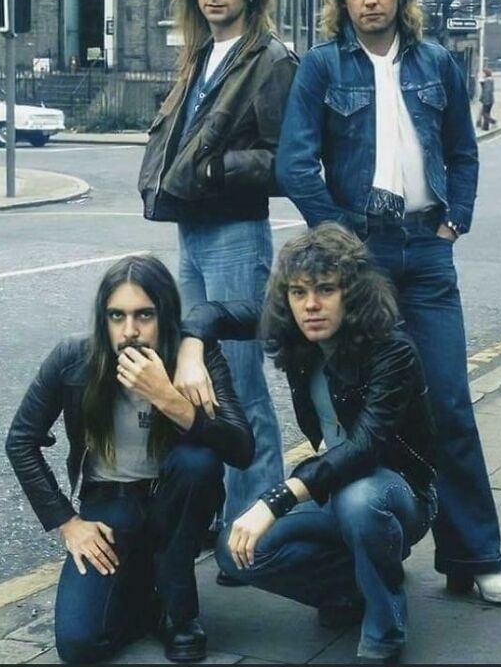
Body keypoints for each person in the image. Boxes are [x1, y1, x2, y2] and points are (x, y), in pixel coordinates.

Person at [274, 0, 501, 605]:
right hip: (366, 255)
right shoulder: (323, 67)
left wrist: (455, 218)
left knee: (448, 403)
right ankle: (370, 549)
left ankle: (473, 556)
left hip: (428, 250)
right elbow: (294, 162)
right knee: (367, 411)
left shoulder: (437, 62)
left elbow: (463, 151)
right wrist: (343, 237)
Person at [179, 224, 437, 664]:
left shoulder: (392, 349)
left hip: (398, 493)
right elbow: (212, 313)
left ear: (351, 293)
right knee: (236, 550)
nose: (311, 305)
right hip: (333, 487)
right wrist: (190, 351)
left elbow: (365, 447)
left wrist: (276, 498)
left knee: (359, 501)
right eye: (298, 292)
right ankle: (352, 585)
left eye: (325, 290)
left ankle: (386, 627)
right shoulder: (296, 329)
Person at [5, 255, 254, 664]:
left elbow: (240, 450)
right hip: (111, 503)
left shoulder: (195, 360)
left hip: (175, 499)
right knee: (79, 645)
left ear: (165, 316)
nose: (129, 331)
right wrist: (68, 523)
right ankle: (146, 595)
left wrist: (168, 397)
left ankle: (179, 611)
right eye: (116, 316)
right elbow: (21, 440)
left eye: (144, 315)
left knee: (197, 463)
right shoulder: (73, 356)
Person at [138, 0, 296, 552]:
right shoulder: (201, 53)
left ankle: (260, 529)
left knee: (243, 385)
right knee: (201, 381)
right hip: (193, 229)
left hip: (235, 231)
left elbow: (286, 157)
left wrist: (216, 169)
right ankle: (227, 518)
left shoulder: (270, 59)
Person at [476, 66, 497, 131]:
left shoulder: (488, 81)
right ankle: (485, 127)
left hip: (487, 100)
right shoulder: (489, 80)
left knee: (484, 113)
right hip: (490, 100)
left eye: (483, 73)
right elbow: (483, 85)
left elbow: (487, 91)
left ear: (486, 73)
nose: (482, 74)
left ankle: (493, 121)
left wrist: (485, 101)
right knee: (487, 113)